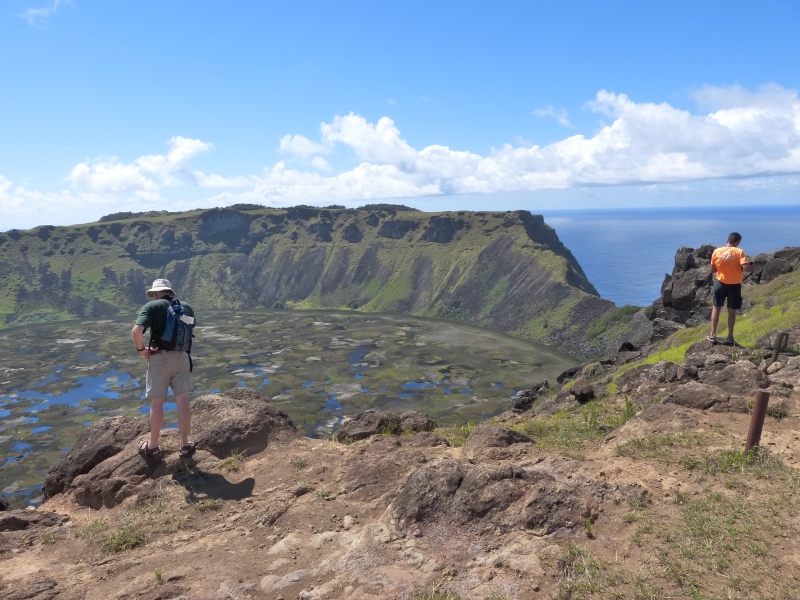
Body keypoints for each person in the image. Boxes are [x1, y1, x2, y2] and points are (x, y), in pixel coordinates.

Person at [131, 278, 196, 458]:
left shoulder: (152, 307)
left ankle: (153, 446)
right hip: (182, 357)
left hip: (159, 358)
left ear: (155, 293)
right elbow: (191, 326)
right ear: (170, 291)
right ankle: (185, 445)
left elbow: (137, 331)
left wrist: (142, 350)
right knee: (183, 401)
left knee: (157, 403)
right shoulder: (185, 307)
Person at [707, 232, 754, 346]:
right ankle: (730, 337)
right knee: (731, 311)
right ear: (738, 242)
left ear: (727, 240)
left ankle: (712, 335)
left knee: (716, 308)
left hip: (720, 283)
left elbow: (712, 270)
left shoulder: (717, 251)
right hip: (734, 285)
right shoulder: (739, 252)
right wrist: (752, 266)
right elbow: (746, 268)